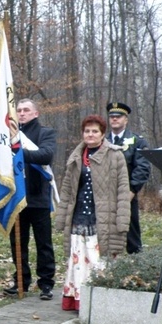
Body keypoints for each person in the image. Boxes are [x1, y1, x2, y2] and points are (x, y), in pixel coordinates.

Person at [56, 115, 131, 311]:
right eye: (87, 131)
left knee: (98, 261)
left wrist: (122, 221)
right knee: (79, 261)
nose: (90, 134)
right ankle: (78, 300)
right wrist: (61, 217)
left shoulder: (115, 155)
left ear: (102, 134)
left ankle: (99, 305)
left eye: (95, 131)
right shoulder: (75, 156)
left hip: (103, 218)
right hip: (78, 216)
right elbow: (67, 190)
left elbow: (123, 190)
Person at [3, 98, 57, 300]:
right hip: (16, 196)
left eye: (26, 110)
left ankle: (46, 284)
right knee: (18, 242)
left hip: (39, 197)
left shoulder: (46, 133)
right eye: (19, 110)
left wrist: (17, 153)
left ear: (36, 113)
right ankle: (21, 281)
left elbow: (46, 155)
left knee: (44, 244)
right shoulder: (9, 135)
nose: (22, 113)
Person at [106, 101, 151, 254]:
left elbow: (143, 167)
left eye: (118, 116)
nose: (114, 119)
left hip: (128, 193)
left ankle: (136, 264)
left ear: (126, 119)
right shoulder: (102, 141)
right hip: (104, 193)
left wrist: (132, 190)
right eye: (112, 116)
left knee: (131, 231)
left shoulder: (137, 140)